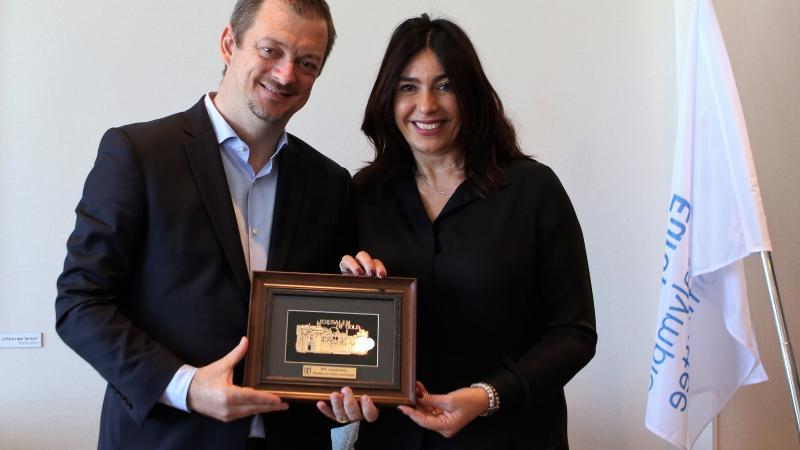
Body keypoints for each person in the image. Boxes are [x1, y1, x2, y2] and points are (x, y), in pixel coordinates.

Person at [55, 1, 375, 449]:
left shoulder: (330, 182)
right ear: (230, 44)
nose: (286, 75)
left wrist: (360, 296)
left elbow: (327, 323)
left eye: (306, 63)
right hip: (167, 436)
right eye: (270, 50)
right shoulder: (138, 154)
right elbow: (79, 304)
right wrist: (185, 386)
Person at [336, 14, 597, 449]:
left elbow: (575, 333)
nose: (426, 106)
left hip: (511, 435)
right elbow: (338, 335)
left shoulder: (534, 190)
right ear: (388, 99)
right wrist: (351, 300)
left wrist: (488, 396)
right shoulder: (361, 196)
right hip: (394, 439)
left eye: (445, 85)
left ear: (471, 94)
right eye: (408, 87)